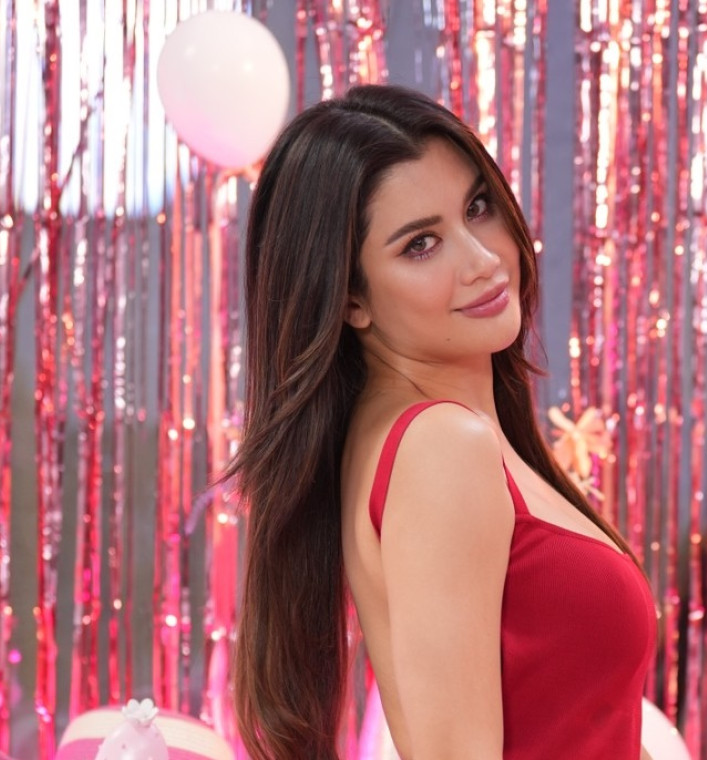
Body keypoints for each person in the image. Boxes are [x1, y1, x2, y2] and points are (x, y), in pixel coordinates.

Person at [226, 84, 658, 760]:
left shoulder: (428, 436)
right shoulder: (441, 447)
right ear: (351, 299)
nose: (484, 261)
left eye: (478, 208)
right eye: (421, 245)